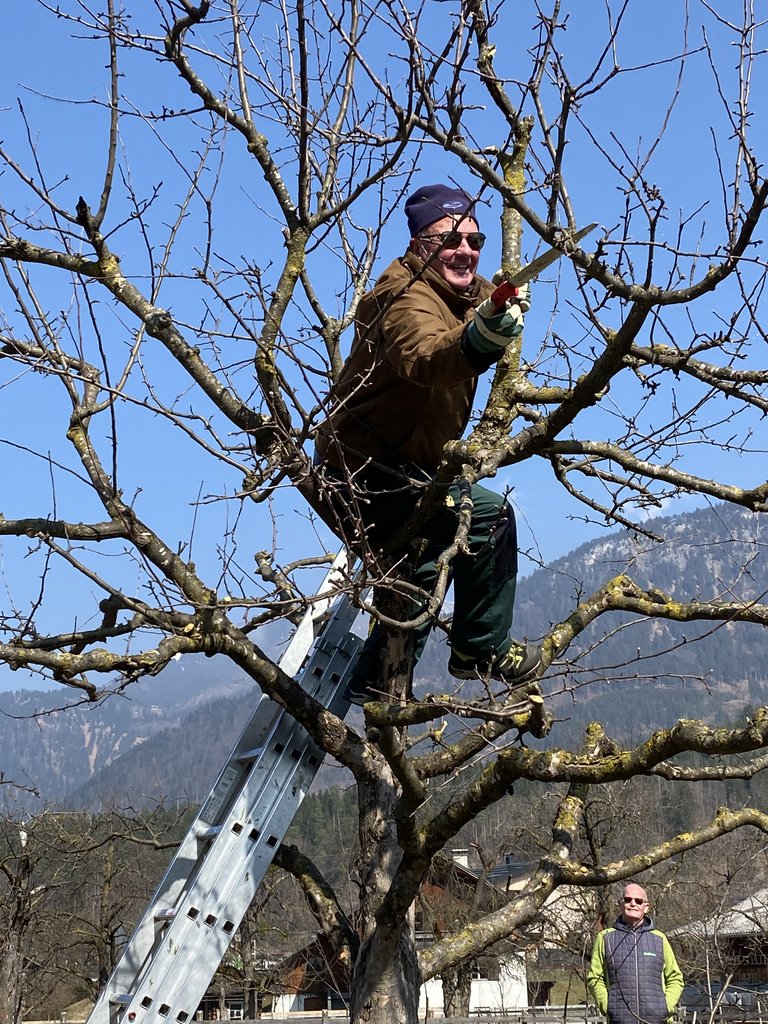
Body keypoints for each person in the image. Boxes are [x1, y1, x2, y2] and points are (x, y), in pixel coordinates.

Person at [315, 182, 542, 704]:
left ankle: (377, 674)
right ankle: (479, 649)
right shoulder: (401, 297)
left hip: (396, 466)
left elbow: (474, 297)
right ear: (419, 245)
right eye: (448, 241)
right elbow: (425, 356)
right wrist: (481, 338)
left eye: (474, 241)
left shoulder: (452, 289)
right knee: (482, 518)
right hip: (367, 472)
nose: (465, 251)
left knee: (425, 553)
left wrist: (499, 299)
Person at [587, 883, 684, 1024]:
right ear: (620, 904)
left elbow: (675, 978)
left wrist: (665, 1007)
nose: (633, 904)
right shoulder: (605, 938)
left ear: (646, 907)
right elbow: (594, 978)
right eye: (627, 900)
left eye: (638, 901)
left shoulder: (659, 939)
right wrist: (608, 1007)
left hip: (658, 1020)